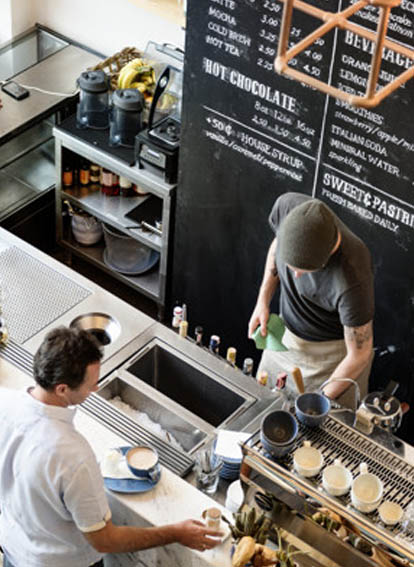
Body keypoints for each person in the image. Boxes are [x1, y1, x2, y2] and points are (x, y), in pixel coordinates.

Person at [0, 327, 222, 567]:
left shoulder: (5, 403)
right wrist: (176, 533)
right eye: (92, 384)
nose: (96, 389)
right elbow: (104, 540)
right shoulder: (73, 457)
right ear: (62, 389)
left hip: (14, 551)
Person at [248, 192, 374, 408]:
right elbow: (276, 245)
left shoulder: (353, 277)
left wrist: (320, 399)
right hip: (285, 339)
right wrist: (263, 300)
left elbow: (360, 353)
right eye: (291, 266)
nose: (295, 276)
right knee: (263, 409)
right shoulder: (287, 207)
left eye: (305, 271)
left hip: (331, 359)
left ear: (327, 259)